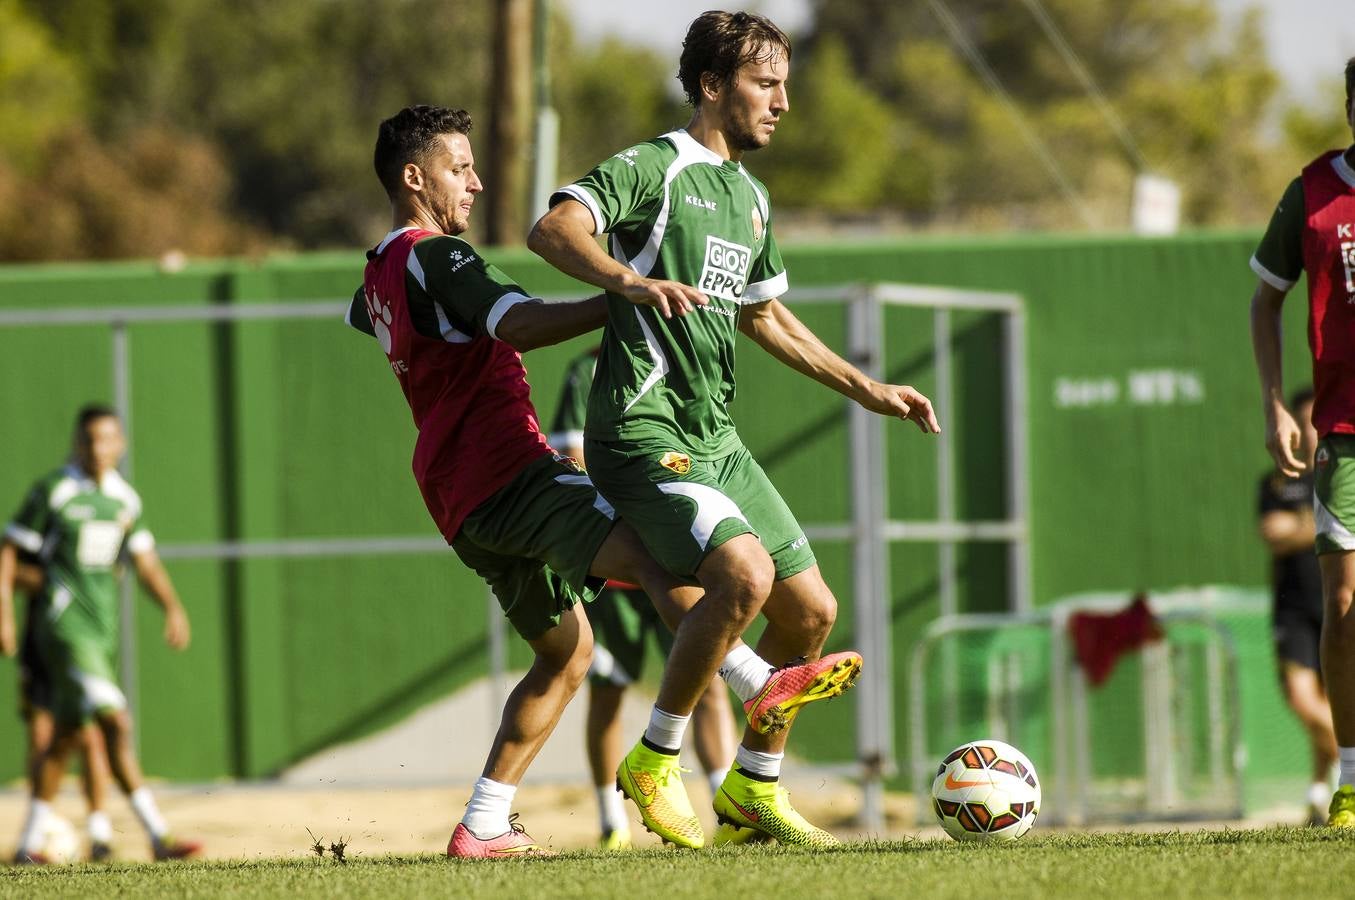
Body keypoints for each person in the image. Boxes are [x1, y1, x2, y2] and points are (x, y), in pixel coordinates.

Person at [346, 105, 860, 856]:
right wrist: (627, 294)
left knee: (566, 654)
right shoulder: (437, 257)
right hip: (508, 473)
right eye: (461, 169)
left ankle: (483, 821)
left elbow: (367, 317)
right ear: (413, 177)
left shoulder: (379, 271)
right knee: (656, 553)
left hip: (454, 497)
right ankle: (753, 677)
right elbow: (516, 323)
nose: (477, 184)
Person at [529, 10, 938, 847]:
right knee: (744, 579)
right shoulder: (656, 167)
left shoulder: (749, 199)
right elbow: (553, 227)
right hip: (640, 430)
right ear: (712, 86)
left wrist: (865, 387)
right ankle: (655, 758)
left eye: (785, 84)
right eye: (765, 83)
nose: (782, 102)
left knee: (811, 615)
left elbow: (767, 317)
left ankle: (753, 788)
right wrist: (622, 280)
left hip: (715, 439)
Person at [550, 348, 736, 850]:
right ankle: (613, 822)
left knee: (714, 679)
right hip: (620, 570)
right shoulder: (587, 368)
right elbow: (572, 455)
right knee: (608, 688)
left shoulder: (686, 360)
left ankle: (731, 813)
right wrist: (632, 520)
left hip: (680, 558)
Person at [1, 405, 199, 862]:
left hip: (100, 632)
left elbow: (144, 560)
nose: (97, 448)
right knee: (115, 721)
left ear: (121, 444)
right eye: (88, 439)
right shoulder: (55, 490)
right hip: (61, 629)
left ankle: (29, 845)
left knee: (70, 737)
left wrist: (172, 607)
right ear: (77, 442)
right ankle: (158, 835)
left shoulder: (124, 500)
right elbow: (10, 550)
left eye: (106, 439)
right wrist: (5, 616)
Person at [1249, 55, 1355, 827]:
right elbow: (1265, 299)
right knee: (1343, 606)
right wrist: (1275, 405)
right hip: (1343, 435)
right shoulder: (1313, 193)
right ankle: (1349, 785)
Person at [1257, 388, 1337, 824]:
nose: (1308, 432)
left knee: (1335, 700)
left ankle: (1317, 792)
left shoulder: (1339, 477)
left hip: (1338, 604)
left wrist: (1300, 526)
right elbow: (1271, 530)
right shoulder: (1276, 481)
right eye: (1301, 421)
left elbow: (1290, 529)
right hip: (1293, 610)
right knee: (1304, 701)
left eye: (1314, 422)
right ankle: (1351, 766)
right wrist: (1324, 525)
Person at [6, 553, 116, 862]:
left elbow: (114, 569)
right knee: (42, 739)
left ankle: (100, 834)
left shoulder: (93, 524)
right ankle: (39, 831)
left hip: (84, 646)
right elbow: (10, 571)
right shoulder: (39, 526)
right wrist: (56, 578)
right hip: (41, 648)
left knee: (90, 737)